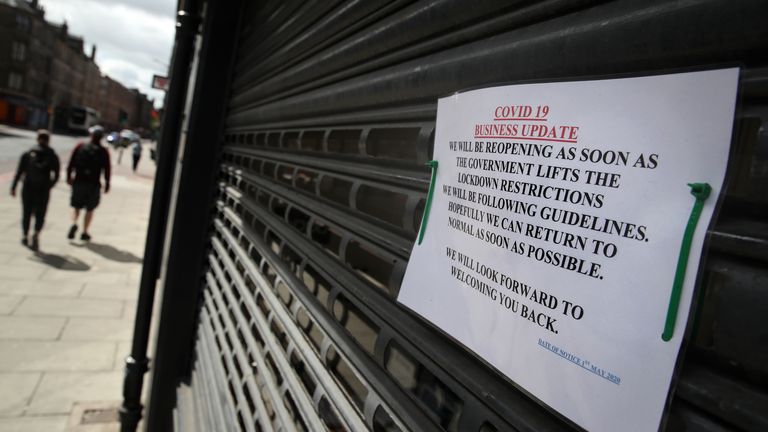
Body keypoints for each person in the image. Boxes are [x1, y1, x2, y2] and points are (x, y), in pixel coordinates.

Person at [10, 129, 60, 251]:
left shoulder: (28, 153)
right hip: (43, 190)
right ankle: (36, 233)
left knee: (26, 213)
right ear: (48, 140)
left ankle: (25, 235)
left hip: (28, 187)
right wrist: (49, 185)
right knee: (40, 214)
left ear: (37, 139)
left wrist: (14, 187)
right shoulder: (52, 155)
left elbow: (19, 172)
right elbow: (57, 174)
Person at [66, 125, 111, 241]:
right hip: (94, 184)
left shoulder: (80, 146)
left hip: (79, 181)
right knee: (90, 209)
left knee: (76, 206)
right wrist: (107, 183)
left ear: (91, 135)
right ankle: (85, 231)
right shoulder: (103, 151)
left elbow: (71, 163)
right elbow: (107, 169)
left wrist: (69, 177)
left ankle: (74, 223)